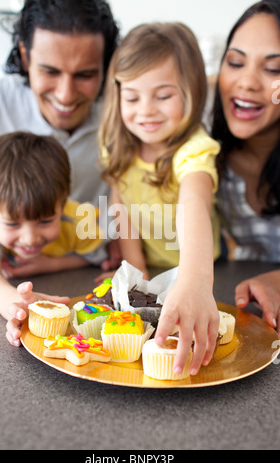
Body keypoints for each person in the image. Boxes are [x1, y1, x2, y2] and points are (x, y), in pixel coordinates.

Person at [98, 23, 222, 376]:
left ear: (191, 91)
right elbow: (123, 211)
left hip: (206, 272)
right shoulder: (118, 148)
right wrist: (136, 278)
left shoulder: (194, 150)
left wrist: (195, 280)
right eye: (133, 97)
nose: (146, 110)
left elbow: (193, 202)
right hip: (155, 271)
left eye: (163, 96)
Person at [0, 0, 121, 271]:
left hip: (84, 265)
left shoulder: (128, 111)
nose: (65, 95)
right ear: (25, 54)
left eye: (85, 74)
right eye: (50, 71)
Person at [0, 132, 106, 345]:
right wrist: (15, 305)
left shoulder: (79, 221)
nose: (29, 239)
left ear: (62, 205)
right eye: (13, 224)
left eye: (46, 221)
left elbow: (97, 257)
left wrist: (51, 264)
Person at [211, 0, 280, 334]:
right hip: (250, 316)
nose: (247, 82)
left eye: (274, 69)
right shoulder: (208, 151)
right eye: (235, 62)